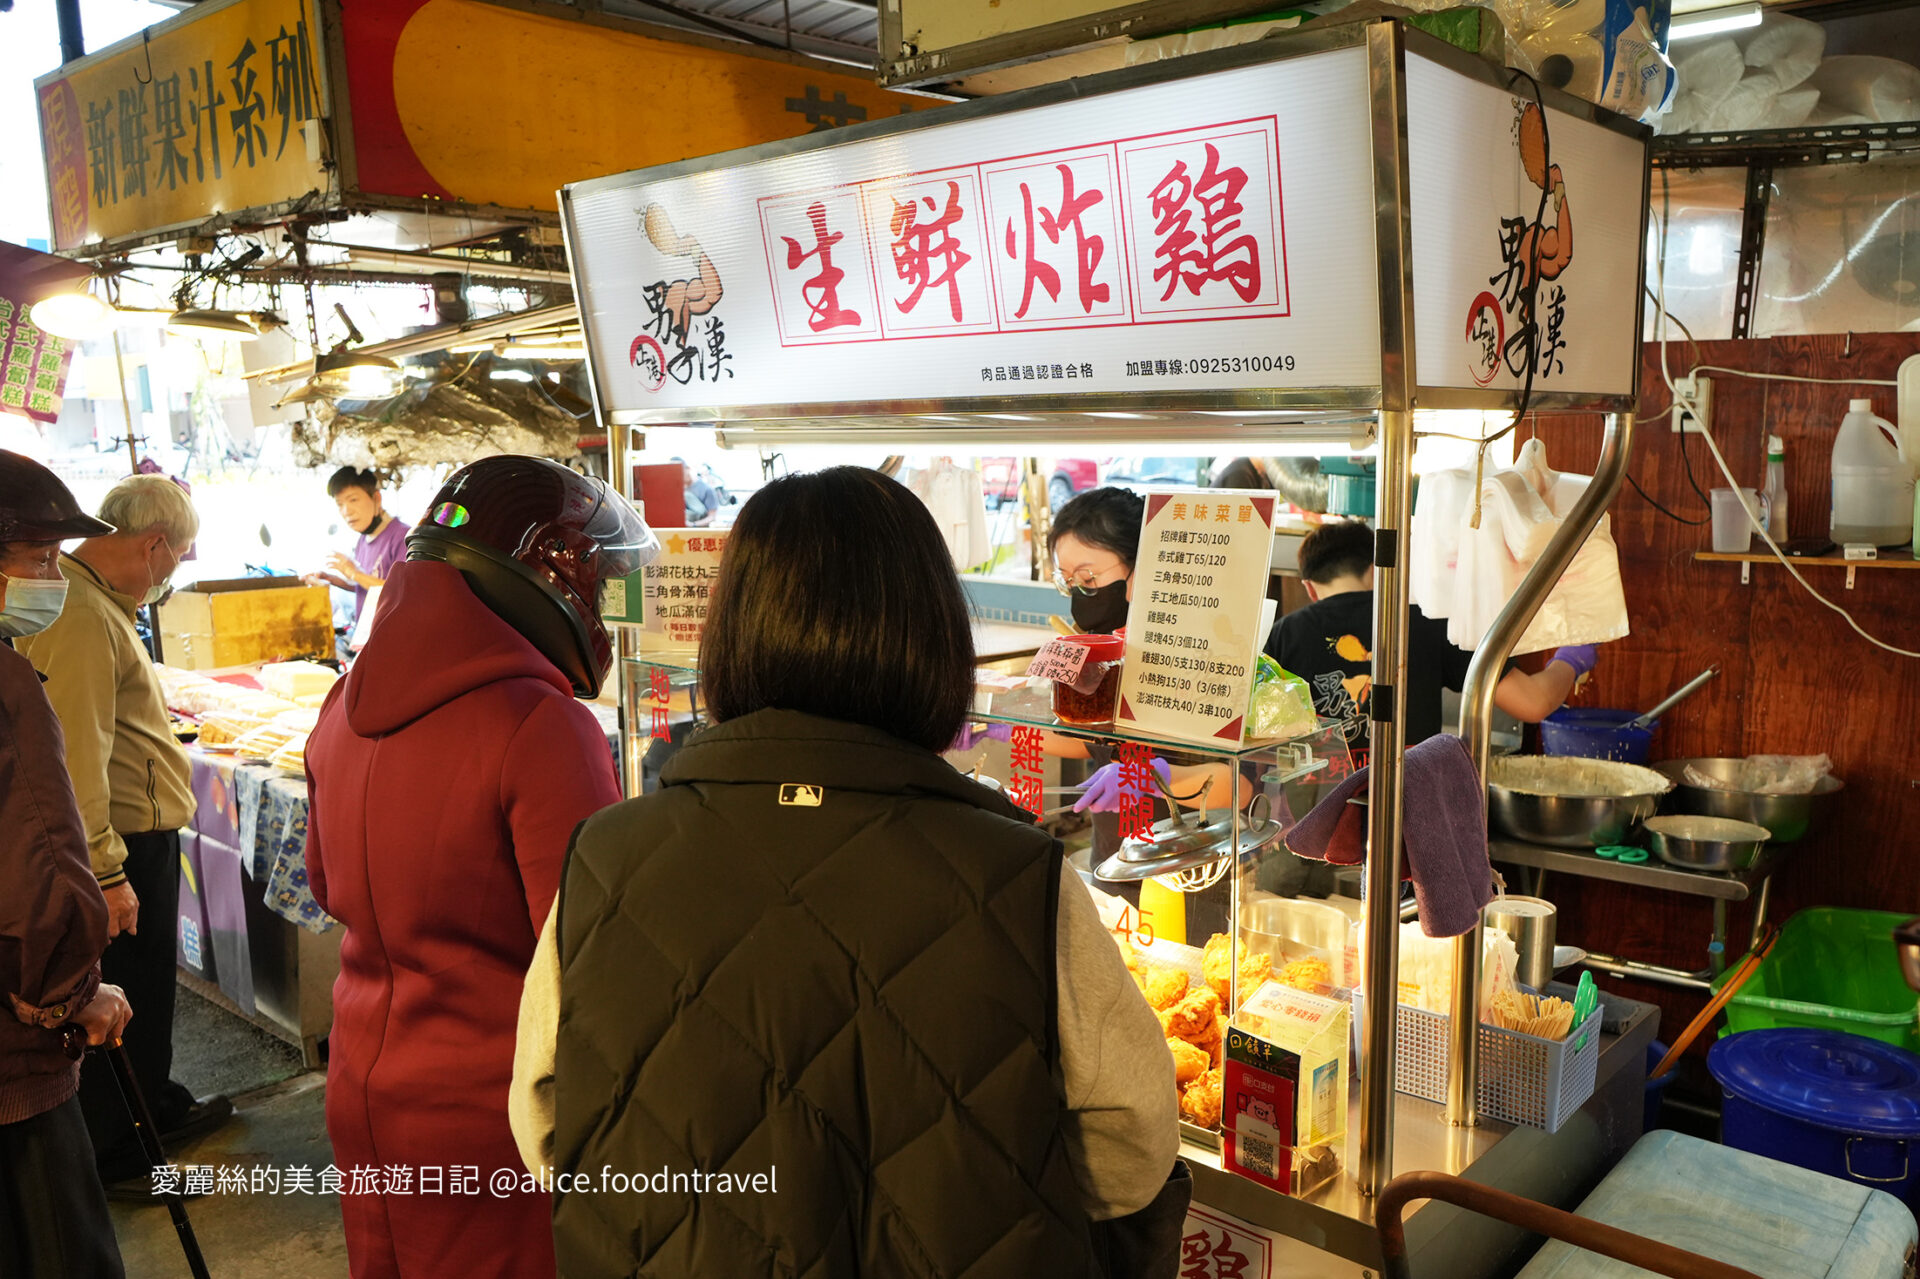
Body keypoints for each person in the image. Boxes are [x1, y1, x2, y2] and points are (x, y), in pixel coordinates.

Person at [510, 467, 1180, 1278]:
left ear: (730, 631)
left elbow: (545, 1120)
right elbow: (1134, 1142)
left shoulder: (604, 859)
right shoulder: (1022, 876)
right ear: (933, 634)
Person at [304, 455, 657, 1279]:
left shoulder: (342, 706)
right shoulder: (541, 724)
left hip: (362, 1085)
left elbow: (325, 885)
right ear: (549, 580)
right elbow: (589, 957)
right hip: (492, 1112)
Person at [16, 474, 229, 1186]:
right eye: (182, 554)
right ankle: (123, 1147)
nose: (175, 569)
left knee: (148, 992)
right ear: (157, 544)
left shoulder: (100, 602)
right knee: (122, 994)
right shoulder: (78, 612)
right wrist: (105, 869)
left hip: (137, 835)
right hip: (122, 845)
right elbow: (77, 749)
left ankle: (154, 1105)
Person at [0, 453, 133, 1277]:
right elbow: (37, 859)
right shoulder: (8, 685)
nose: (54, 577)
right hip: (13, 1069)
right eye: (40, 558)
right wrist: (73, 995)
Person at [1265, 517, 1596, 761]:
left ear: (1309, 586)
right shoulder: (1424, 621)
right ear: (1378, 570)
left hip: (1316, 819)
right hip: (1404, 813)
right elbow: (1533, 702)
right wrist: (1570, 659)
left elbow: (1264, 738)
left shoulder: (1282, 635)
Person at [310, 465, 410, 624]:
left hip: (392, 634)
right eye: (340, 504)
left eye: (353, 500)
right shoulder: (363, 540)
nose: (346, 511)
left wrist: (353, 573)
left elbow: (400, 593)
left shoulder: (403, 536)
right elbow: (366, 586)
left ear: (377, 498)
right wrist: (333, 579)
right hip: (365, 635)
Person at [675, 456, 719, 527]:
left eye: (680, 472)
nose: (678, 476)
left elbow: (712, 517)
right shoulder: (674, 490)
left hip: (699, 533)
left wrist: (693, 525)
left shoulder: (707, 489)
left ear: (687, 468)